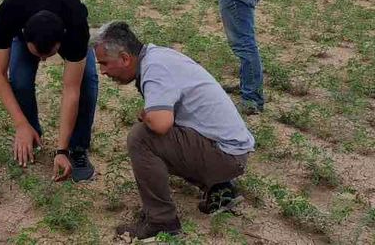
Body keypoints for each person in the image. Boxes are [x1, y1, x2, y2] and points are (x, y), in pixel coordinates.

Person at [94, 21, 255, 240]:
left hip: (226, 155)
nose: (102, 71)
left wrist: (147, 115)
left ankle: (161, 221)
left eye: (104, 63)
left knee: (141, 138)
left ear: (124, 58)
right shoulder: (157, 57)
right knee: (163, 132)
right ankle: (221, 191)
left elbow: (160, 123)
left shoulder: (155, 69)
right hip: (231, 151)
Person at [0, 0, 98, 181]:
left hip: (68, 22)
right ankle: (30, 134)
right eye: (39, 54)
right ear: (22, 36)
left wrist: (61, 150)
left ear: (61, 40)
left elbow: (71, 90)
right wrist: (20, 123)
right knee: (20, 80)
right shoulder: (8, 14)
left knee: (87, 82)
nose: (45, 59)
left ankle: (78, 149)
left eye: (50, 53)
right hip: (23, 19)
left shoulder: (75, 26)